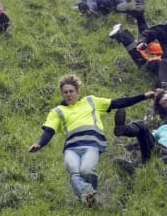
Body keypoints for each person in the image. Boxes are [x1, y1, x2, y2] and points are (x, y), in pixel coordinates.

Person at [28, 74, 156, 205]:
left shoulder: (91, 101)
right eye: (65, 92)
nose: (68, 95)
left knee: (87, 171)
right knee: (74, 173)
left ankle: (89, 196)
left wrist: (144, 96)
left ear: (77, 92)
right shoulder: (57, 111)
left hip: (91, 145)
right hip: (71, 148)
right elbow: (49, 131)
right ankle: (88, 197)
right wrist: (39, 144)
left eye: (71, 91)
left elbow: (118, 102)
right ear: (61, 94)